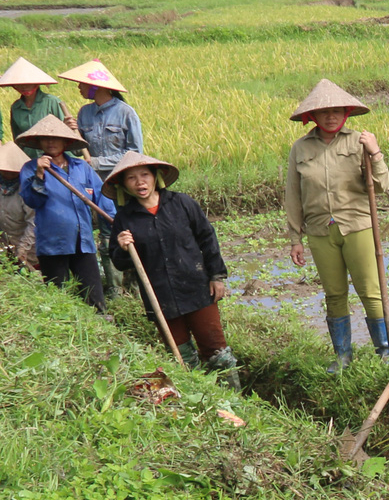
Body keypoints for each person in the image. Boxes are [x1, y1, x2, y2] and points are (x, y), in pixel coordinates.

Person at [282, 78, 389, 370]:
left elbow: (383, 185)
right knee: (334, 293)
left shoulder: (359, 141)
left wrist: (376, 152)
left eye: (337, 111)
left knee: (370, 290)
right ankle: (343, 355)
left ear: (346, 113)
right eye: (324, 112)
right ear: (313, 116)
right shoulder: (301, 148)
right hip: (320, 230)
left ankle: (384, 353)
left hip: (357, 225)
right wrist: (296, 238)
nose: (331, 116)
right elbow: (293, 195)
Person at [106, 152, 237, 386]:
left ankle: (234, 400)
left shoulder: (182, 204)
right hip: (160, 296)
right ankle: (200, 402)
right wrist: (123, 248)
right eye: (131, 178)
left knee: (217, 353)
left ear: (156, 177)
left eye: (144, 175)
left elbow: (207, 239)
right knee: (181, 358)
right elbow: (119, 262)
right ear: (124, 185)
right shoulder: (125, 219)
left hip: (197, 289)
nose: (140, 182)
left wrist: (216, 276)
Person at [17, 114, 114, 309]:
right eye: (45, 138)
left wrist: (116, 223)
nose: (50, 141)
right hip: (53, 245)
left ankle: (100, 329)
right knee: (57, 300)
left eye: (55, 137)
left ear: (66, 141)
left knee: (94, 298)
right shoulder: (30, 168)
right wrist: (39, 175)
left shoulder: (82, 168)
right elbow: (33, 201)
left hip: (83, 243)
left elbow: (102, 198)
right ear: (39, 142)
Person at [62, 59, 144, 291]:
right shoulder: (84, 113)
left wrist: (98, 161)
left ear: (97, 87)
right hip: (98, 186)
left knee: (132, 232)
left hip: (123, 184)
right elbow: (79, 150)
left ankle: (138, 288)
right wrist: (72, 133)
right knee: (107, 236)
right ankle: (115, 290)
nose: (78, 88)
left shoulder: (125, 113)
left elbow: (135, 153)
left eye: (82, 84)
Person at [3, 57, 67, 146]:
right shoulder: (16, 107)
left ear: (36, 83)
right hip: (29, 155)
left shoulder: (52, 102)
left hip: (54, 152)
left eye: (27, 83)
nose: (24, 87)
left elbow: (65, 130)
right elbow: (18, 138)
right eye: (19, 84)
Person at [0, 141, 35, 271]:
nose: (7, 173)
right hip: (5, 246)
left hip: (30, 248)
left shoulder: (27, 189)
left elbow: (33, 222)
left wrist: (23, 249)